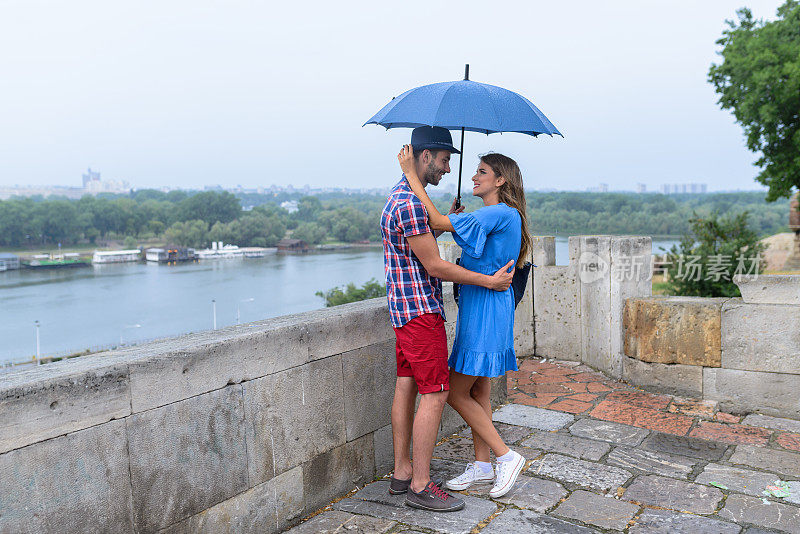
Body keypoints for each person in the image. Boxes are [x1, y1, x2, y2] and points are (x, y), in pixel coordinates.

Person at [381, 126, 515, 512]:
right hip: (420, 311)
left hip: (403, 310)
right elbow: (436, 266)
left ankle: (403, 472)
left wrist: (450, 220)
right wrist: (488, 280)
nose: (447, 168)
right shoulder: (410, 204)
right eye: (444, 160)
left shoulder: (401, 195)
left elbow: (440, 228)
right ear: (425, 157)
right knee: (437, 392)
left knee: (406, 385)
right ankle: (421, 485)